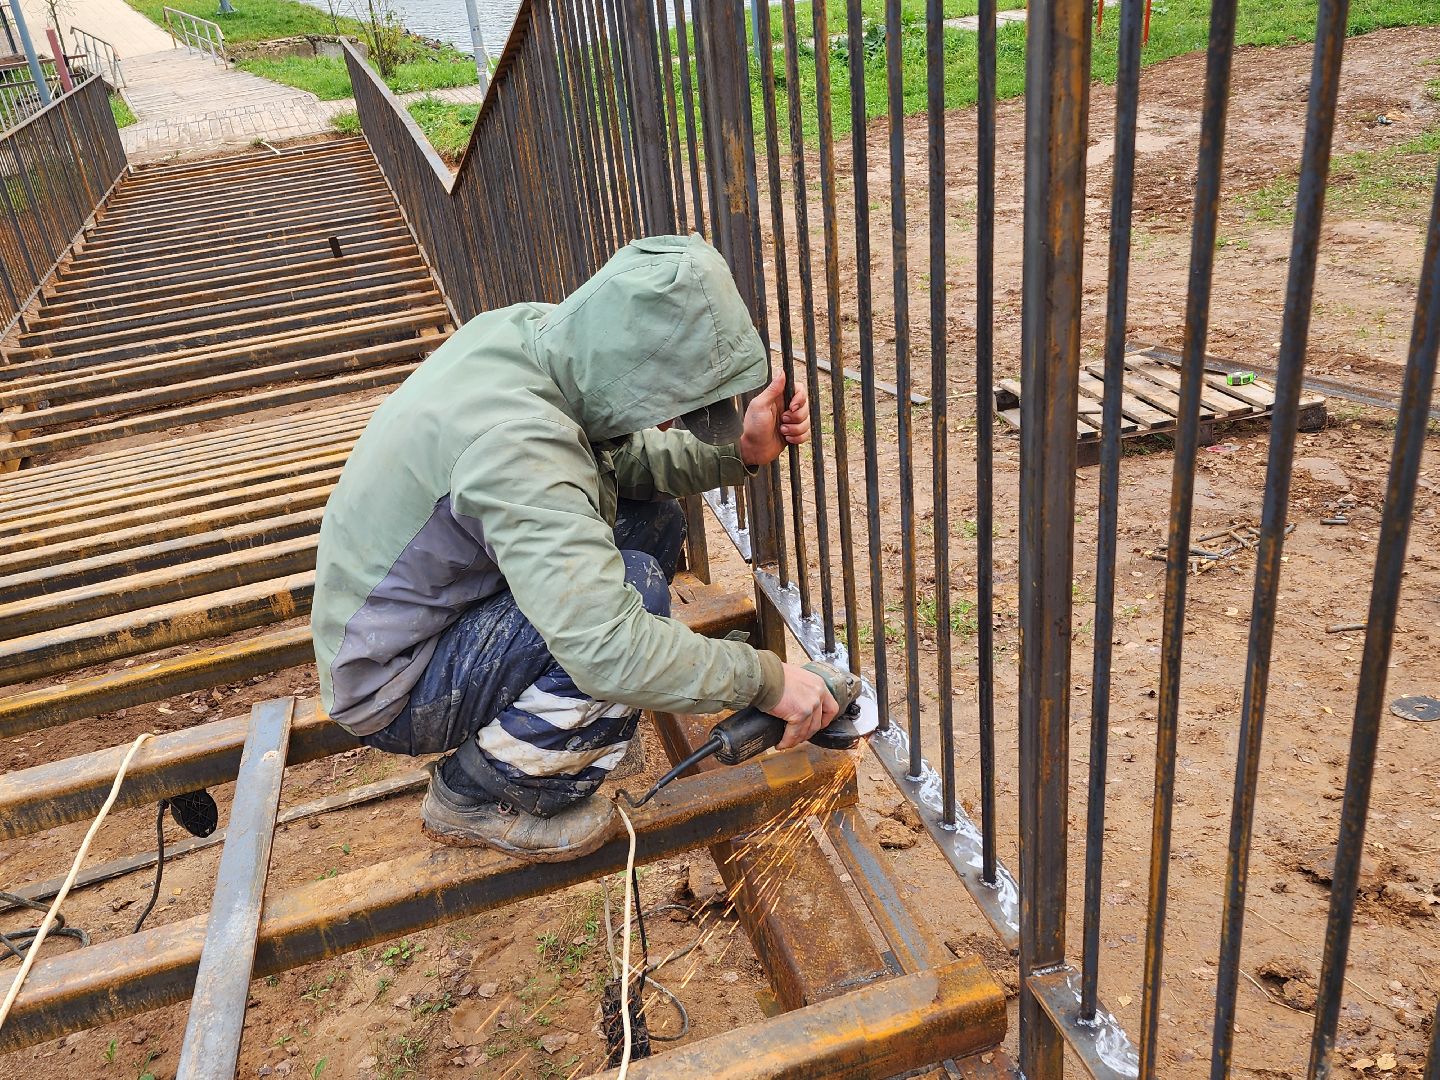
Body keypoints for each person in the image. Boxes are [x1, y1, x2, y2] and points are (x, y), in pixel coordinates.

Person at [311, 234, 839, 863]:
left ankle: (559, 715)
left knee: (650, 522)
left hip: (416, 615)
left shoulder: (527, 340)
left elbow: (614, 464)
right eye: (671, 405)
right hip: (391, 683)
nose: (669, 422)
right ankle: (480, 793)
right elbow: (607, 647)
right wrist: (767, 681)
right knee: (632, 593)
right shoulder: (520, 446)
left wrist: (740, 451)